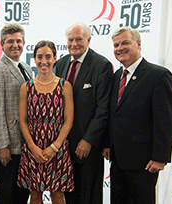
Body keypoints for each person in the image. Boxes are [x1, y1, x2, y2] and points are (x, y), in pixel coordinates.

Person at [102, 26, 172, 204]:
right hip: (118, 160)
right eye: (116, 45)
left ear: (139, 44)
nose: (120, 48)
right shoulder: (116, 76)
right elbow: (114, 115)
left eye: (125, 43)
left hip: (144, 163)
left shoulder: (158, 75)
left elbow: (166, 120)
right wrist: (107, 144)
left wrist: (160, 157)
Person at [55, 21, 113, 204]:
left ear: (88, 40)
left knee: (89, 194)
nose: (74, 44)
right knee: (70, 191)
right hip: (64, 144)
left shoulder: (101, 65)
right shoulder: (62, 63)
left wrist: (88, 140)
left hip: (88, 144)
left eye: (79, 39)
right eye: (70, 40)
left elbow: (103, 108)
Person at [17, 40, 75, 204]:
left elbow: (68, 121)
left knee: (57, 196)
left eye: (48, 57)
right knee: (35, 195)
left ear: (55, 58)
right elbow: (22, 121)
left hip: (58, 148)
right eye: (39, 57)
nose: (44, 61)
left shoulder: (65, 86)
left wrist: (54, 147)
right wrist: (33, 148)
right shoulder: (26, 87)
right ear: (34, 59)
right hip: (33, 147)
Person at [0, 23, 32, 204]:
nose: (15, 45)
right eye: (10, 41)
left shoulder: (27, 68)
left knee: (22, 192)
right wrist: (2, 146)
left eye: (18, 41)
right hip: (9, 146)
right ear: (2, 45)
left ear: (23, 43)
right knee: (7, 193)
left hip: (26, 144)